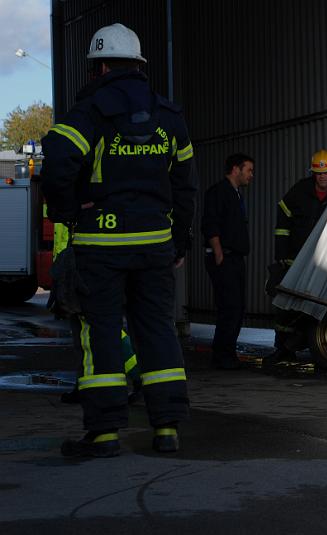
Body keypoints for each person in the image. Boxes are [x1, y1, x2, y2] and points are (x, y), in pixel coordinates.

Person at [41, 23, 197, 457]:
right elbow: (186, 187)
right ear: (139, 65)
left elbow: (57, 159)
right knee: (157, 330)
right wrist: (179, 241)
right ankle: (167, 428)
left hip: (102, 245)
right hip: (155, 244)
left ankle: (106, 432)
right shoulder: (169, 116)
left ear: (101, 66)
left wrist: (69, 213)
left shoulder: (90, 112)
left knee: (102, 332)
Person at [52, 223, 142, 405]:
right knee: (83, 335)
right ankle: (84, 385)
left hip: (84, 267)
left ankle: (138, 377)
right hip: (75, 266)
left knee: (97, 333)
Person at [268, 149, 327, 363]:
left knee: (316, 305)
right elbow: (283, 219)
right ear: (313, 174)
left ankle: (313, 346)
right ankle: (282, 348)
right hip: (294, 259)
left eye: (326, 173)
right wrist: (281, 253)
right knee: (285, 306)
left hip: (324, 262)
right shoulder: (299, 191)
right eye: (319, 173)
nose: (323, 177)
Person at [200, 154, 254, 370]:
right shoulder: (218, 192)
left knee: (237, 308)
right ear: (236, 169)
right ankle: (221, 356)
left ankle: (228, 353)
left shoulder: (237, 194)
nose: (251, 174)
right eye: (248, 170)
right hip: (224, 258)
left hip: (236, 258)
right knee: (228, 307)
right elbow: (210, 222)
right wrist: (219, 252)